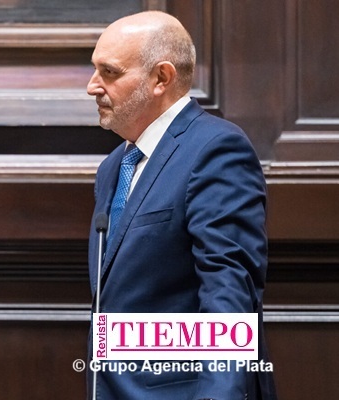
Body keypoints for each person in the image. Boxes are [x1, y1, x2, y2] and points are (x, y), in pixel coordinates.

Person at [85, 11, 276, 399]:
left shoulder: (215, 150)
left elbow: (228, 294)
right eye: (94, 70)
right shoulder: (114, 167)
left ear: (161, 78)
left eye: (109, 72)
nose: (92, 86)